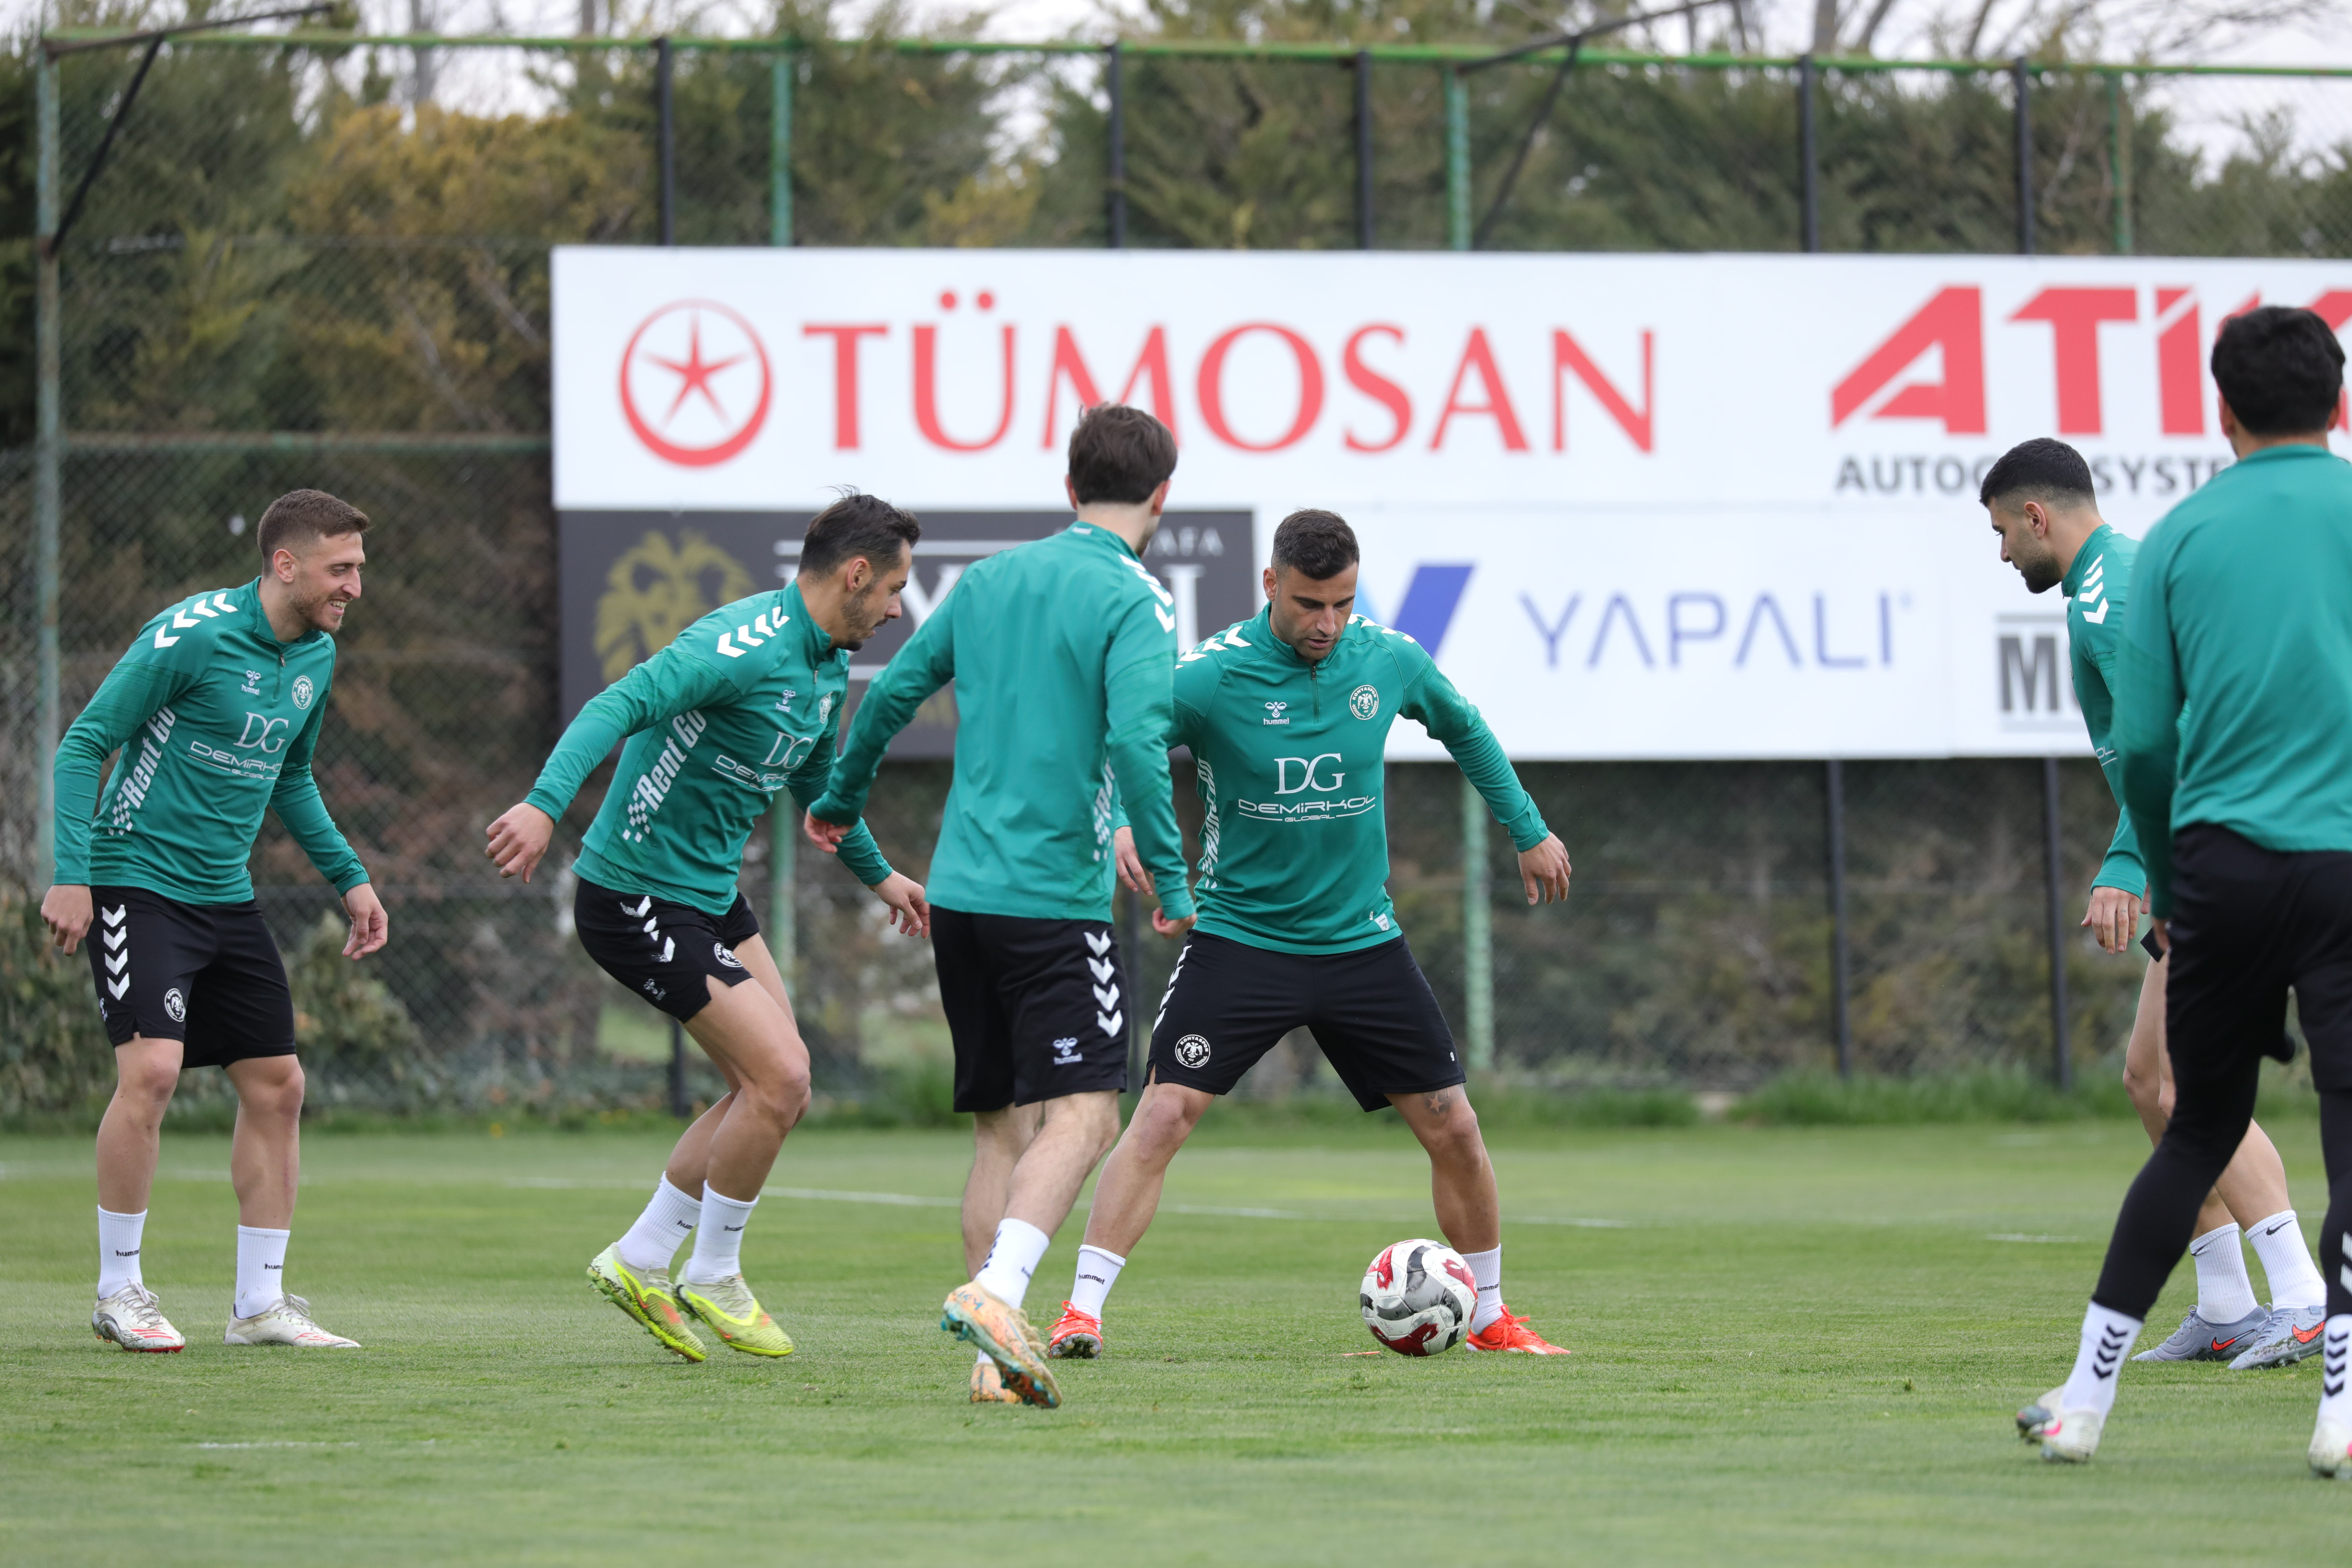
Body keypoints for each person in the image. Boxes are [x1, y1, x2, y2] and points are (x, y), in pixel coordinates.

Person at [1044, 508, 1577, 1363]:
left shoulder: (1387, 659)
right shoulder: (1213, 676)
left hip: (1362, 942)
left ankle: (1489, 1317)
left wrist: (1528, 827)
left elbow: (1465, 727)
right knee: (1164, 1114)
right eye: (1307, 603)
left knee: (1454, 1125)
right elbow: (1120, 742)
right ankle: (1081, 1312)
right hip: (1241, 938)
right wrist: (1121, 823)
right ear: (1270, 585)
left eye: (1342, 603)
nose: (1327, 622)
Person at [2010, 306, 2352, 1473]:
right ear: (2339, 403)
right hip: (2344, 862)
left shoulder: (2176, 542)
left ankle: (2087, 1400)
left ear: (2223, 412)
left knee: (2190, 1117)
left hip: (2225, 867)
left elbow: (2150, 742)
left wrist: (2163, 871)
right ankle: (2335, 1405)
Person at [805, 404, 1196, 1409]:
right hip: (1052, 901)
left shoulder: (987, 582)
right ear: (1162, 494)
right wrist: (1174, 877)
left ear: (1070, 488)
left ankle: (993, 1360)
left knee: (999, 1133)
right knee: (1087, 1114)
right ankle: (1000, 1294)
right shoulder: (1137, 600)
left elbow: (893, 694)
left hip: (963, 899)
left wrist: (841, 800)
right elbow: (1139, 744)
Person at [485, 494, 930, 1362]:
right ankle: (714, 1272)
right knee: (782, 1075)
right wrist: (544, 806)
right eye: (893, 588)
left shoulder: (824, 664)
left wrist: (881, 874)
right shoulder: (742, 645)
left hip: (708, 896)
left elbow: (819, 785)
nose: (895, 609)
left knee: (772, 1085)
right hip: (634, 893)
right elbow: (616, 704)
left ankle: (642, 1256)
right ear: (856, 573)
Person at [1982, 437, 2328, 1370]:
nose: (2003, 554)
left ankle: (2305, 1296)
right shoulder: (2105, 584)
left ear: (2036, 516)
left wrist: (2133, 864)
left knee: (2186, 1086)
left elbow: (2177, 735)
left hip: (2222, 853)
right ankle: (2225, 1304)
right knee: (2150, 1079)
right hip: (2205, 851)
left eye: (2003, 533)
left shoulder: (2112, 594)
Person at [43, 488, 388, 1354]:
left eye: (358, 570)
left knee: (278, 1084)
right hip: (135, 880)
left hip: (225, 893)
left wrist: (351, 878)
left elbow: (291, 776)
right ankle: (119, 1291)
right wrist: (72, 874)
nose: (355, 587)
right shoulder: (191, 634)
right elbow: (84, 744)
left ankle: (259, 1306)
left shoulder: (317, 656)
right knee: (153, 1071)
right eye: (341, 569)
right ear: (285, 564)